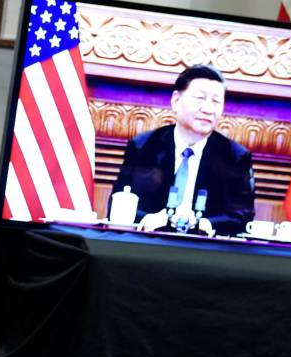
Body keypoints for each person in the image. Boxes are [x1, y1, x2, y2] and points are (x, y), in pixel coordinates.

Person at [109, 64, 255, 236]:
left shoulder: (235, 156)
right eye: (200, 98)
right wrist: (149, 219)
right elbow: (118, 204)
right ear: (176, 100)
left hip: (205, 251)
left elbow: (242, 216)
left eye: (216, 101)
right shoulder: (144, 146)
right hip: (149, 244)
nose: (208, 109)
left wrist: (206, 223)